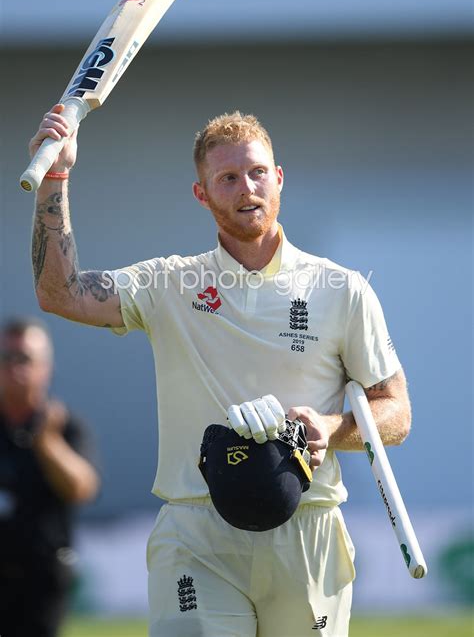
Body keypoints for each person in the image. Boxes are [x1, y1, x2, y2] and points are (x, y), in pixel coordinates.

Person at [28, 103, 411, 637]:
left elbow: (393, 411)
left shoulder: (341, 289)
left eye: (257, 173)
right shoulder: (170, 284)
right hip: (198, 532)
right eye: (227, 178)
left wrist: (328, 427)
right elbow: (60, 293)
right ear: (201, 194)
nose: (246, 188)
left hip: (307, 528)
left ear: (278, 179)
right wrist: (55, 175)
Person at [0, 316, 100, 637]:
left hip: (42, 576)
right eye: (6, 358)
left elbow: (83, 488)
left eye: (25, 359)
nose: (15, 368)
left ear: (47, 368)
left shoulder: (64, 425)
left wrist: (47, 444)